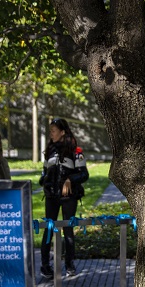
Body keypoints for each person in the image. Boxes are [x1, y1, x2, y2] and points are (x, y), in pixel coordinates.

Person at [39, 118, 89, 278]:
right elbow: (44, 173)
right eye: (50, 130)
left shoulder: (76, 151)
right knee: (48, 229)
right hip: (51, 196)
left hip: (69, 197)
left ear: (62, 132)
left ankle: (69, 264)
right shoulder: (49, 150)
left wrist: (69, 180)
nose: (50, 133)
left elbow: (84, 174)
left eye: (53, 130)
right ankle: (45, 266)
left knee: (68, 229)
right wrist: (45, 180)